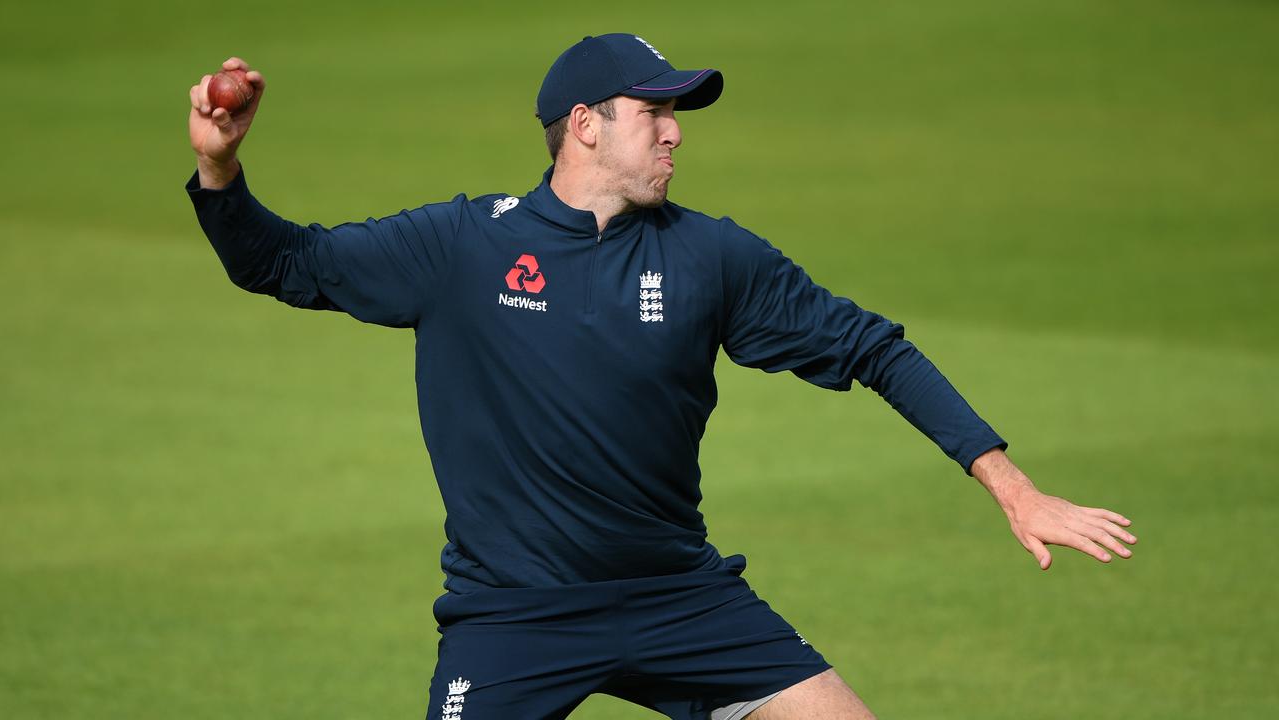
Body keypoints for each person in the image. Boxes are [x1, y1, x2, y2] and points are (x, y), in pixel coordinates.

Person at [186, 34, 1137, 720]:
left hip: (680, 597)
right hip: (515, 614)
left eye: (676, 114)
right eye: (655, 113)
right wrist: (222, 174)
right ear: (585, 128)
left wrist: (1009, 485)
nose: (676, 134)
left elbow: (871, 347)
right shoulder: (462, 245)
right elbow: (284, 263)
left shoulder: (710, 257)